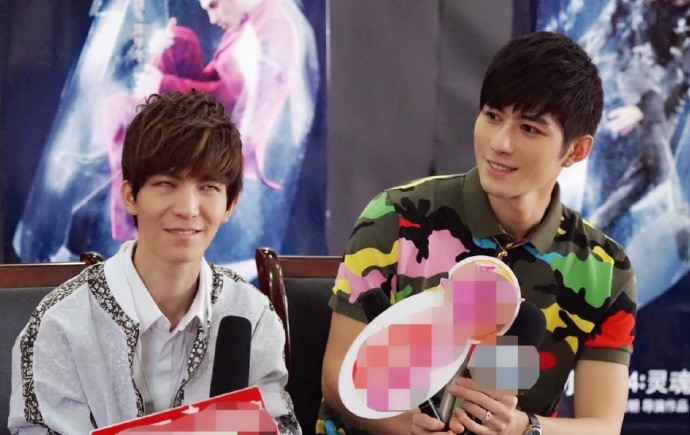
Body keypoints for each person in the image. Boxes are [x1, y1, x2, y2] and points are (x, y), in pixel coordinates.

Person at [318, 32, 637, 435]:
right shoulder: (395, 217)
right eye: (493, 116)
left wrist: (522, 427)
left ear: (576, 150)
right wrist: (414, 428)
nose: (500, 143)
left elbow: (603, 425)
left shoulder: (604, 268)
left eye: (530, 129)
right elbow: (337, 378)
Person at [8, 91, 301, 434]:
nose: (188, 209)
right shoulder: (62, 324)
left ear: (230, 204)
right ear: (130, 196)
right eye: (166, 184)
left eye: (208, 187)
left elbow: (279, 424)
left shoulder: (251, 315)